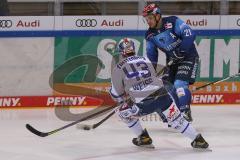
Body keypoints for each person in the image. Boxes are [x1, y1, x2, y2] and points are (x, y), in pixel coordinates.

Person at [109, 38, 209, 149]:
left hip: (144, 103)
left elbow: (116, 95)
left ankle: (143, 138)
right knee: (176, 120)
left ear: (120, 51)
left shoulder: (117, 68)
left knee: (121, 112)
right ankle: (198, 140)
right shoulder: (145, 59)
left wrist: (124, 100)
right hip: (163, 96)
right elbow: (152, 80)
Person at [142, 3, 200, 122]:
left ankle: (185, 112)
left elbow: (190, 34)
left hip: (188, 57)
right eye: (146, 19)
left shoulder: (173, 21)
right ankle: (176, 114)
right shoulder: (149, 35)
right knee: (167, 87)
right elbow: (151, 53)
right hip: (172, 62)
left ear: (158, 16)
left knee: (179, 84)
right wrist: (152, 71)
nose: (148, 21)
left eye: (150, 18)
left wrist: (182, 51)